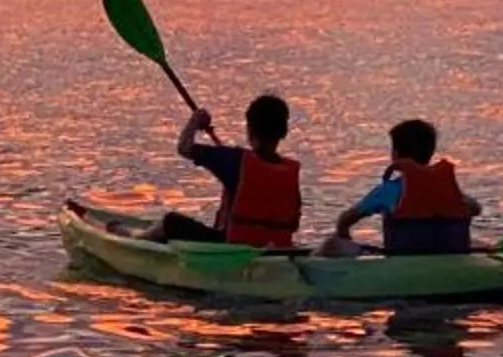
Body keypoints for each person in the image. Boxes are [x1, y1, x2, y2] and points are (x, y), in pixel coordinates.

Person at [151, 92, 302, 246]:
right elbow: (294, 224)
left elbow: (184, 147)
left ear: (249, 129)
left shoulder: (235, 160)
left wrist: (195, 121)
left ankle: (137, 242)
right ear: (284, 132)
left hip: (231, 249)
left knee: (170, 222)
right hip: (273, 249)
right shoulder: (289, 171)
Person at [326, 117, 481, 255]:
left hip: (404, 258)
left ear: (396, 154)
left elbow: (346, 219)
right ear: (431, 153)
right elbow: (475, 208)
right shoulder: (449, 192)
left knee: (331, 245)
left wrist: (343, 232)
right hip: (449, 257)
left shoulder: (388, 191)